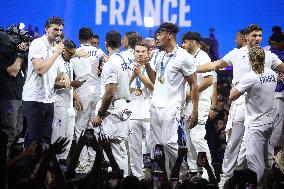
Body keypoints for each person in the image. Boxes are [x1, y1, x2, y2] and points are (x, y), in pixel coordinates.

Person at [197, 24, 284, 188]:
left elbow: (282, 69)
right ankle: (225, 179)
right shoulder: (236, 54)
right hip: (240, 105)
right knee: (234, 143)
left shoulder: (268, 56)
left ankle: (264, 181)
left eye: (259, 35)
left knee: (264, 148)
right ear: (246, 37)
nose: (257, 38)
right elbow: (215, 65)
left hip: (260, 107)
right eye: (254, 35)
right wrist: (193, 69)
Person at [144, 22, 199, 173]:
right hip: (156, 106)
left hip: (172, 107)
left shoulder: (184, 57)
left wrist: (194, 111)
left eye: (160, 34)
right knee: (158, 145)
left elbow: (194, 85)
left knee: (169, 143)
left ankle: (183, 173)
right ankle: (165, 179)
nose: (157, 37)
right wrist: (148, 65)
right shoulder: (159, 55)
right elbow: (156, 78)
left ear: (169, 35)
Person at [229, 46, 277, 182]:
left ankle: (260, 186)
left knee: (255, 162)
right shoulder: (271, 73)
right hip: (269, 121)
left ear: (250, 59)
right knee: (266, 159)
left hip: (256, 125)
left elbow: (232, 96)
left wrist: (236, 84)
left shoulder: (250, 76)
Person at [22, 16, 69, 147]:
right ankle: (28, 167)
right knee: (34, 142)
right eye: (55, 29)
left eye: (60, 30)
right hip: (34, 99)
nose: (58, 33)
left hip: (49, 99)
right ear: (46, 29)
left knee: (46, 141)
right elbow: (40, 70)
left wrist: (65, 77)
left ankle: (41, 167)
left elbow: (59, 72)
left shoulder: (55, 47)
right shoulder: (38, 43)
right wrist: (56, 54)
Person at [91, 30, 131, 176]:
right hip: (122, 106)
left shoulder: (110, 63)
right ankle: (124, 181)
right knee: (119, 151)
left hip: (112, 110)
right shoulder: (124, 60)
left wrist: (100, 114)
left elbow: (109, 93)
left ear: (106, 43)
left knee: (112, 151)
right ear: (120, 43)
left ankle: (117, 183)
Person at [71, 27, 105, 173]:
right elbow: (106, 66)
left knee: (80, 127)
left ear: (79, 38)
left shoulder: (74, 52)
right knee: (94, 126)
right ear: (92, 39)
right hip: (97, 91)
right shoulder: (99, 52)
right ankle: (94, 160)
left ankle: (83, 162)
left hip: (82, 90)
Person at [181, 31, 214, 178]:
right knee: (189, 138)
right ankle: (194, 170)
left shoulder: (203, 57)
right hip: (188, 103)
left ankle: (208, 171)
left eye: (184, 42)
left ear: (193, 42)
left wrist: (192, 92)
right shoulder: (188, 57)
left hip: (200, 103)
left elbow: (209, 80)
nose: (182, 45)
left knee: (197, 137)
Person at [51, 39, 80, 162]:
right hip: (58, 102)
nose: (72, 56)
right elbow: (51, 84)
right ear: (63, 51)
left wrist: (77, 98)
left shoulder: (70, 62)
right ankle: (54, 163)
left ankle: (63, 162)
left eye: (73, 53)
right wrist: (67, 84)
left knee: (68, 136)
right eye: (70, 53)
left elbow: (70, 85)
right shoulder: (56, 61)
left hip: (69, 104)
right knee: (58, 135)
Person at [128, 41, 154, 179]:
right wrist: (133, 73)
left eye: (143, 52)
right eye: (137, 51)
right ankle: (137, 177)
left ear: (147, 53)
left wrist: (140, 74)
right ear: (133, 52)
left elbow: (153, 87)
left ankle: (151, 173)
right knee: (134, 149)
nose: (140, 54)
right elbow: (124, 87)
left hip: (148, 113)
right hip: (132, 114)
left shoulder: (151, 67)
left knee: (152, 147)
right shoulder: (126, 66)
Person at [0, 33, 29, 156]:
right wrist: (20, 54)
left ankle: (12, 164)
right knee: (9, 132)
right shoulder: (3, 55)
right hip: (8, 99)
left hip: (19, 98)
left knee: (18, 132)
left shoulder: (20, 56)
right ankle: (4, 167)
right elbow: (13, 71)